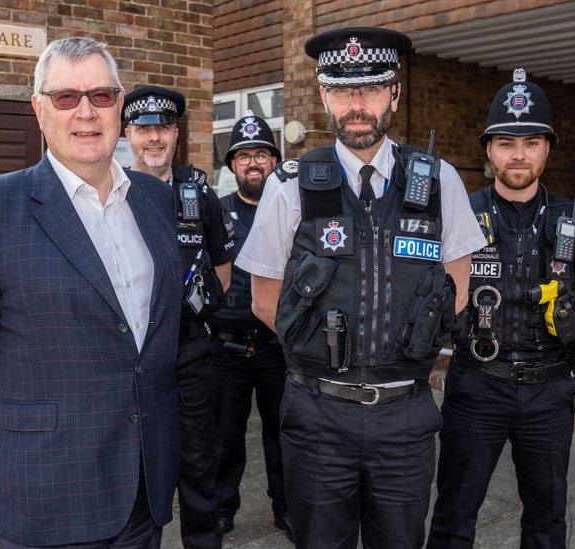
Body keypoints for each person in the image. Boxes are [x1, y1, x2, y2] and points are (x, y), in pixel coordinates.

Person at [0, 37, 183, 548]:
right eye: (66, 97)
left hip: (143, 484)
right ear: (39, 110)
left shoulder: (154, 199)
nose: (86, 111)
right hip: (46, 486)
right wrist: (12, 424)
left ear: (119, 105)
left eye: (102, 96)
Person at [236, 26, 486, 548]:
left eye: (370, 88)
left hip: (405, 414)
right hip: (318, 413)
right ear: (324, 94)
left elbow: (457, 293)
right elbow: (264, 301)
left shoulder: (439, 181)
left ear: (394, 92)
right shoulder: (290, 184)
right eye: (343, 89)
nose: (357, 104)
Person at [426, 69, 575, 549]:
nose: (518, 154)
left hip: (548, 392)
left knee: (546, 521)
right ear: (488, 149)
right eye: (506, 142)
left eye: (530, 142)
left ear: (547, 148)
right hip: (477, 385)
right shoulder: (460, 213)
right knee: (453, 515)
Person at [122, 85, 235, 549]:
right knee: (133, 460)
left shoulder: (198, 194)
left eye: (163, 128)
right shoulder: (108, 195)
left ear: (176, 134)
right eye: (144, 128)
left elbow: (222, 270)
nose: (154, 138)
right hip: (130, 353)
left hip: (190, 350)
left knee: (197, 461)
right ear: (127, 133)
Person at [208, 111, 292, 539]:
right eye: (244, 156)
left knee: (284, 436)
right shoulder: (216, 213)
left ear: (274, 161)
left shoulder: (292, 212)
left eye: (261, 154)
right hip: (227, 350)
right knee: (225, 439)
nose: (253, 163)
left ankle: (287, 509)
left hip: (278, 345)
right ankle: (222, 510)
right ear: (232, 167)